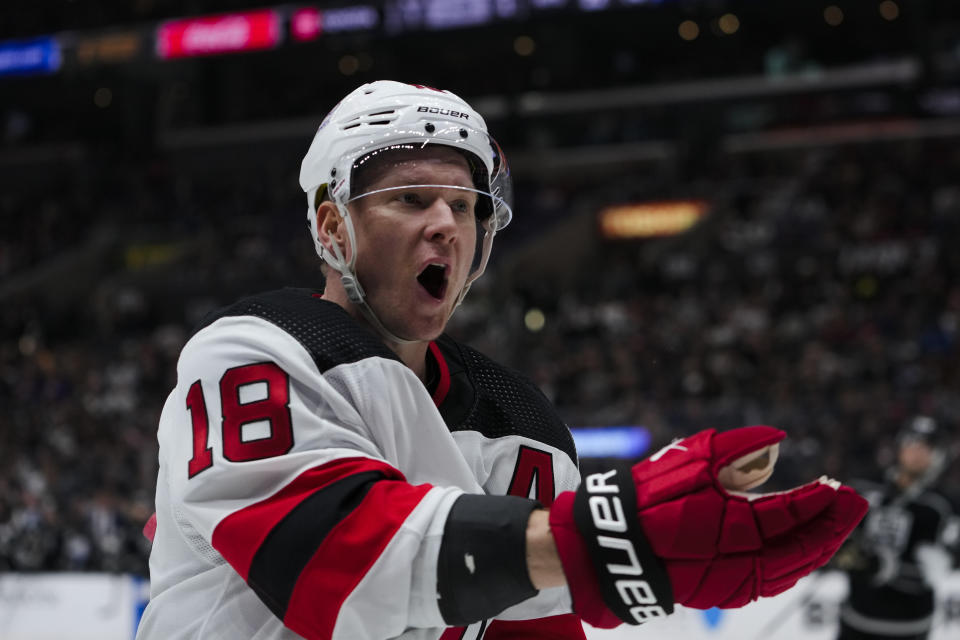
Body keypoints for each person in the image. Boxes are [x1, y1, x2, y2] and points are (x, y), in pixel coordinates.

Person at [136, 80, 867, 640]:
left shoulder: (524, 426)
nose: (445, 225)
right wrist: (603, 539)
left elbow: (533, 622)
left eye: (464, 204)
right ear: (333, 227)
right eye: (411, 198)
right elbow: (338, 559)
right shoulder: (253, 351)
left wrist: (605, 551)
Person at [836, 415, 957, 640]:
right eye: (912, 443)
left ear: (938, 456)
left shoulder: (944, 505)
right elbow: (834, 538)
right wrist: (844, 553)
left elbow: (942, 566)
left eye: (926, 447)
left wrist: (886, 567)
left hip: (909, 628)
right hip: (856, 621)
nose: (916, 452)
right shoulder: (864, 487)